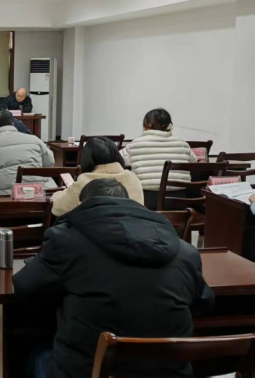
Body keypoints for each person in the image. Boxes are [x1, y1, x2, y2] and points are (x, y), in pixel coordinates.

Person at [14, 179, 215, 378]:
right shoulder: (185, 251)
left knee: (34, 351)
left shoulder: (64, 241)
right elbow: (204, 303)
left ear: (82, 206)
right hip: (170, 373)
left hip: (87, 371)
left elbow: (24, 287)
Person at [121, 108, 197, 210]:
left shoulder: (134, 145)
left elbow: (118, 159)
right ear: (169, 125)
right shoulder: (183, 144)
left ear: (147, 123)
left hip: (146, 201)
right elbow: (194, 161)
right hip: (178, 201)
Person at [52, 137, 144, 217]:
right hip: (133, 230)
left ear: (86, 159)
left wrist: (58, 194)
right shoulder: (133, 179)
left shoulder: (84, 182)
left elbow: (58, 209)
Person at [0, 111, 55, 195]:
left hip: (5, 196)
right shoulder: (34, 139)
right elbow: (50, 161)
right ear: (13, 125)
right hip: (39, 192)